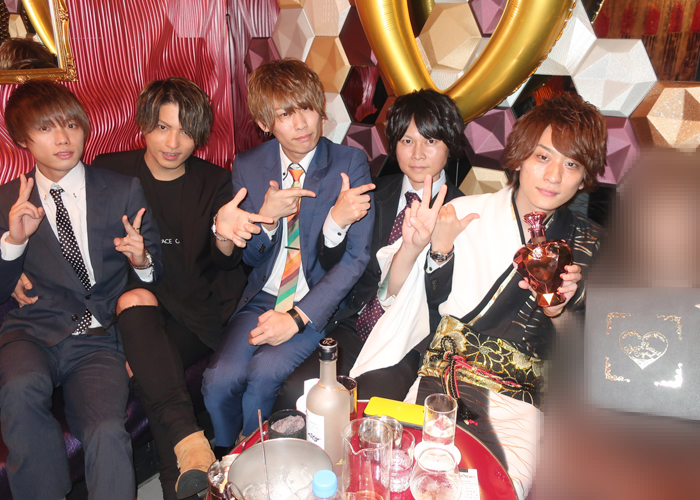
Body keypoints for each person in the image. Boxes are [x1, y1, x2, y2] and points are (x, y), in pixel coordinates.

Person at [376, 92, 607, 500]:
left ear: (585, 174)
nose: (554, 176)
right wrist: (433, 251)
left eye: (571, 164)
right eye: (542, 157)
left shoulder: (592, 245)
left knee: (497, 489)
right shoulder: (466, 212)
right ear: (519, 157)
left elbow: (593, 356)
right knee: (404, 484)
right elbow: (405, 300)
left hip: (519, 405)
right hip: (440, 385)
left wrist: (566, 306)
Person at [90, 77, 265, 499]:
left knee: (148, 364)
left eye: (186, 132)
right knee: (136, 304)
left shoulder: (215, 182)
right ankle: (192, 458)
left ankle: (183, 472)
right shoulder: (110, 171)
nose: (173, 143)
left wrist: (226, 235)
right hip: (133, 306)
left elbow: (225, 262)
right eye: (162, 127)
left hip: (194, 307)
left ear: (200, 135)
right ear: (143, 126)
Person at [201, 58, 374, 454]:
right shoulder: (249, 165)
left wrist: (296, 318)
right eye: (284, 114)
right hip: (263, 296)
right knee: (218, 381)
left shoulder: (348, 163)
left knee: (264, 375)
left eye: (308, 108)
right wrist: (267, 221)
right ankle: (229, 459)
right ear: (265, 122)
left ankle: (260, 461)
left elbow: (356, 258)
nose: (301, 124)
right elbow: (251, 259)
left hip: (315, 301)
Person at [0, 80, 162, 500]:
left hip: (98, 336)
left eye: (71, 125)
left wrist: (140, 260)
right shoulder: (7, 200)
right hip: (31, 330)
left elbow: (155, 270)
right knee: (20, 388)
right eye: (45, 128)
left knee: (107, 429)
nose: (63, 138)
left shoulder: (122, 189)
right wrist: (14, 243)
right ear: (21, 138)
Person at [274, 89, 467, 410]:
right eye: (407, 140)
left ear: (450, 145)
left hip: (411, 339)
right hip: (356, 324)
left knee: (367, 406)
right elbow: (331, 264)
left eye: (431, 141)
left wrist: (439, 253)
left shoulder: (463, 212)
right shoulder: (374, 193)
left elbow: (448, 303)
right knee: (298, 393)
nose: (418, 153)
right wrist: (335, 223)